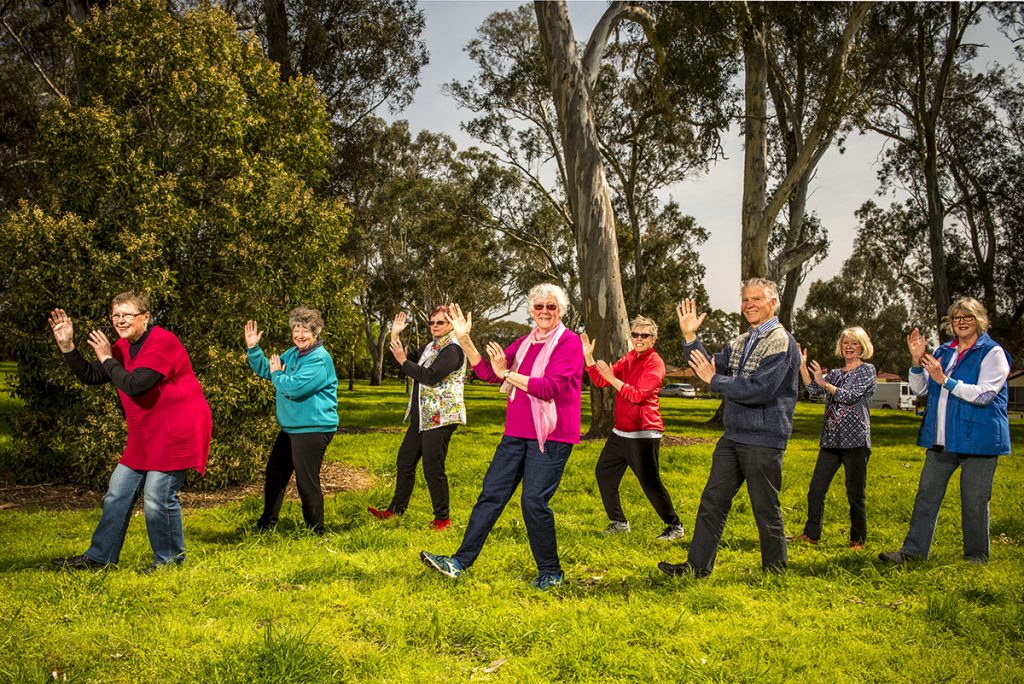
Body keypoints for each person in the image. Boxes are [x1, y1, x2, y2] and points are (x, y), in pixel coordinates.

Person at [419, 283, 583, 590]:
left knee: (533, 501)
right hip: (516, 434)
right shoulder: (524, 343)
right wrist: (464, 339)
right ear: (531, 311)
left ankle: (551, 572)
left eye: (551, 307)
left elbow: (548, 388)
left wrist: (508, 374)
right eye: (539, 307)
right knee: (490, 495)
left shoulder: (569, 343)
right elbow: (489, 374)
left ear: (561, 311)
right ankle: (458, 562)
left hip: (551, 436)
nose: (544, 312)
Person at [48, 293, 212, 572]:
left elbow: (136, 384)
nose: (120, 321)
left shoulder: (163, 342)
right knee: (117, 492)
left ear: (146, 317)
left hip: (177, 431)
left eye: (127, 315)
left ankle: (170, 562)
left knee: (157, 497)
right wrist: (68, 347)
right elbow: (93, 375)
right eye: (115, 315)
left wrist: (105, 357)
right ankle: (101, 557)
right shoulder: (123, 347)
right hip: (146, 433)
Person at [658, 278, 800, 578]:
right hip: (733, 437)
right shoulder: (741, 341)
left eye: (756, 299)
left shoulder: (780, 341)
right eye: (746, 299)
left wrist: (716, 381)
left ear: (772, 303)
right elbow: (707, 365)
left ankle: (775, 573)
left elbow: (759, 389)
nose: (749, 305)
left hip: (764, 439)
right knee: (712, 501)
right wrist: (690, 336)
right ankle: (696, 568)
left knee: (765, 507)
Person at [879, 297, 1011, 565]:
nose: (961, 322)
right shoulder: (943, 352)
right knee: (926, 496)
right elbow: (921, 389)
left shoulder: (992, 353)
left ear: (980, 320)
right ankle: (912, 553)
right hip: (941, 440)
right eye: (956, 318)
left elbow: (985, 394)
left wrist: (945, 380)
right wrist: (917, 363)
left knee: (974, 502)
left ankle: (975, 559)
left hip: (979, 440)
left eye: (967, 317)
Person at [584, 315, 684, 541]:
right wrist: (589, 358)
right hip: (620, 432)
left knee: (649, 482)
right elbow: (601, 382)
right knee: (604, 474)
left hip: (644, 432)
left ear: (653, 339)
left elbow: (637, 396)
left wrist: (612, 378)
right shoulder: (629, 357)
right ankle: (619, 523)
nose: (639, 339)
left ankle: (675, 525)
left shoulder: (655, 363)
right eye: (635, 334)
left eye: (644, 335)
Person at [368, 306, 466, 530]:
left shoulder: (453, 350)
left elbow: (429, 377)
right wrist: (395, 335)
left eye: (439, 323)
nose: (434, 327)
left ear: (450, 324)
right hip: (422, 417)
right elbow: (403, 362)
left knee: (433, 468)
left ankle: (443, 519)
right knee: (405, 461)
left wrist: (404, 361)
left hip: (441, 418)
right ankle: (395, 511)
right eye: (432, 323)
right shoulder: (431, 346)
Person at [245, 307, 338, 534]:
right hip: (291, 427)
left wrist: (279, 374)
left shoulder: (319, 359)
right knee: (275, 474)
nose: (299, 335)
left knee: (306, 481)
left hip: (313, 428)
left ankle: (316, 531)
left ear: (315, 333)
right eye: (296, 330)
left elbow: (294, 388)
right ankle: (266, 524)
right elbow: (269, 370)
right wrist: (253, 348)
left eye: (305, 331)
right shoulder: (294, 353)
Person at [791, 327, 877, 550]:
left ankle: (857, 539)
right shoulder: (837, 373)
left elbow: (849, 397)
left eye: (854, 343)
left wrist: (824, 383)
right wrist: (802, 366)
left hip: (855, 441)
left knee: (855, 492)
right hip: (831, 440)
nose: (849, 347)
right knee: (816, 489)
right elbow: (813, 390)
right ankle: (811, 534)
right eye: (845, 343)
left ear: (862, 347)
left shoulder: (867, 371)